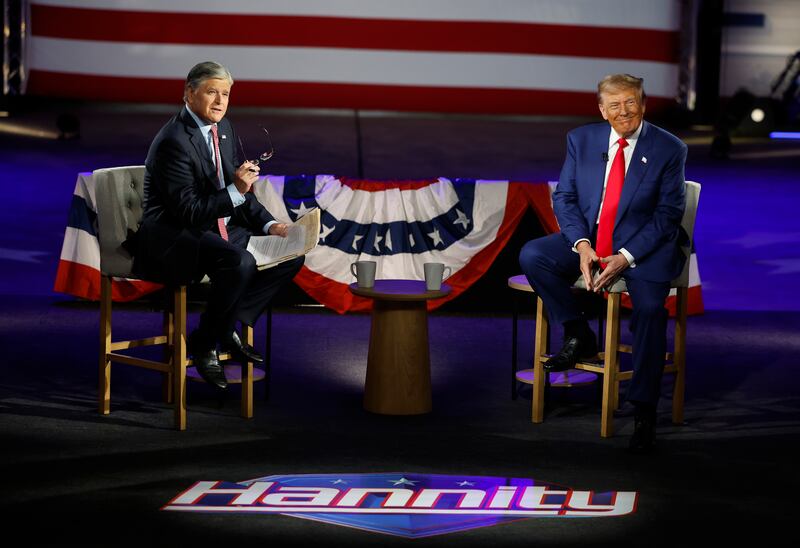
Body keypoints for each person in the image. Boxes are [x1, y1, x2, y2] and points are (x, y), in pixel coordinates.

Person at [519, 74, 687, 453]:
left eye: (631, 103)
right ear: (602, 110)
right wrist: (581, 245)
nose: (623, 111)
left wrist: (625, 257)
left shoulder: (668, 148)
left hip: (645, 249)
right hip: (594, 242)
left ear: (643, 104)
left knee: (648, 309)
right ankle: (579, 333)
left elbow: (667, 216)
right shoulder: (582, 140)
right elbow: (565, 197)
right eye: (614, 105)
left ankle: (644, 410)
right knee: (534, 255)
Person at [132, 61, 303, 389]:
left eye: (225, 94)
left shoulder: (223, 130)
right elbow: (191, 212)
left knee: (291, 254)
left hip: (209, 227)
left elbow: (238, 192)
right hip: (172, 235)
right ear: (189, 93)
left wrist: (270, 226)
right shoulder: (174, 141)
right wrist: (236, 189)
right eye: (212, 92)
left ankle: (224, 328)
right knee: (240, 261)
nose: (220, 101)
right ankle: (206, 343)